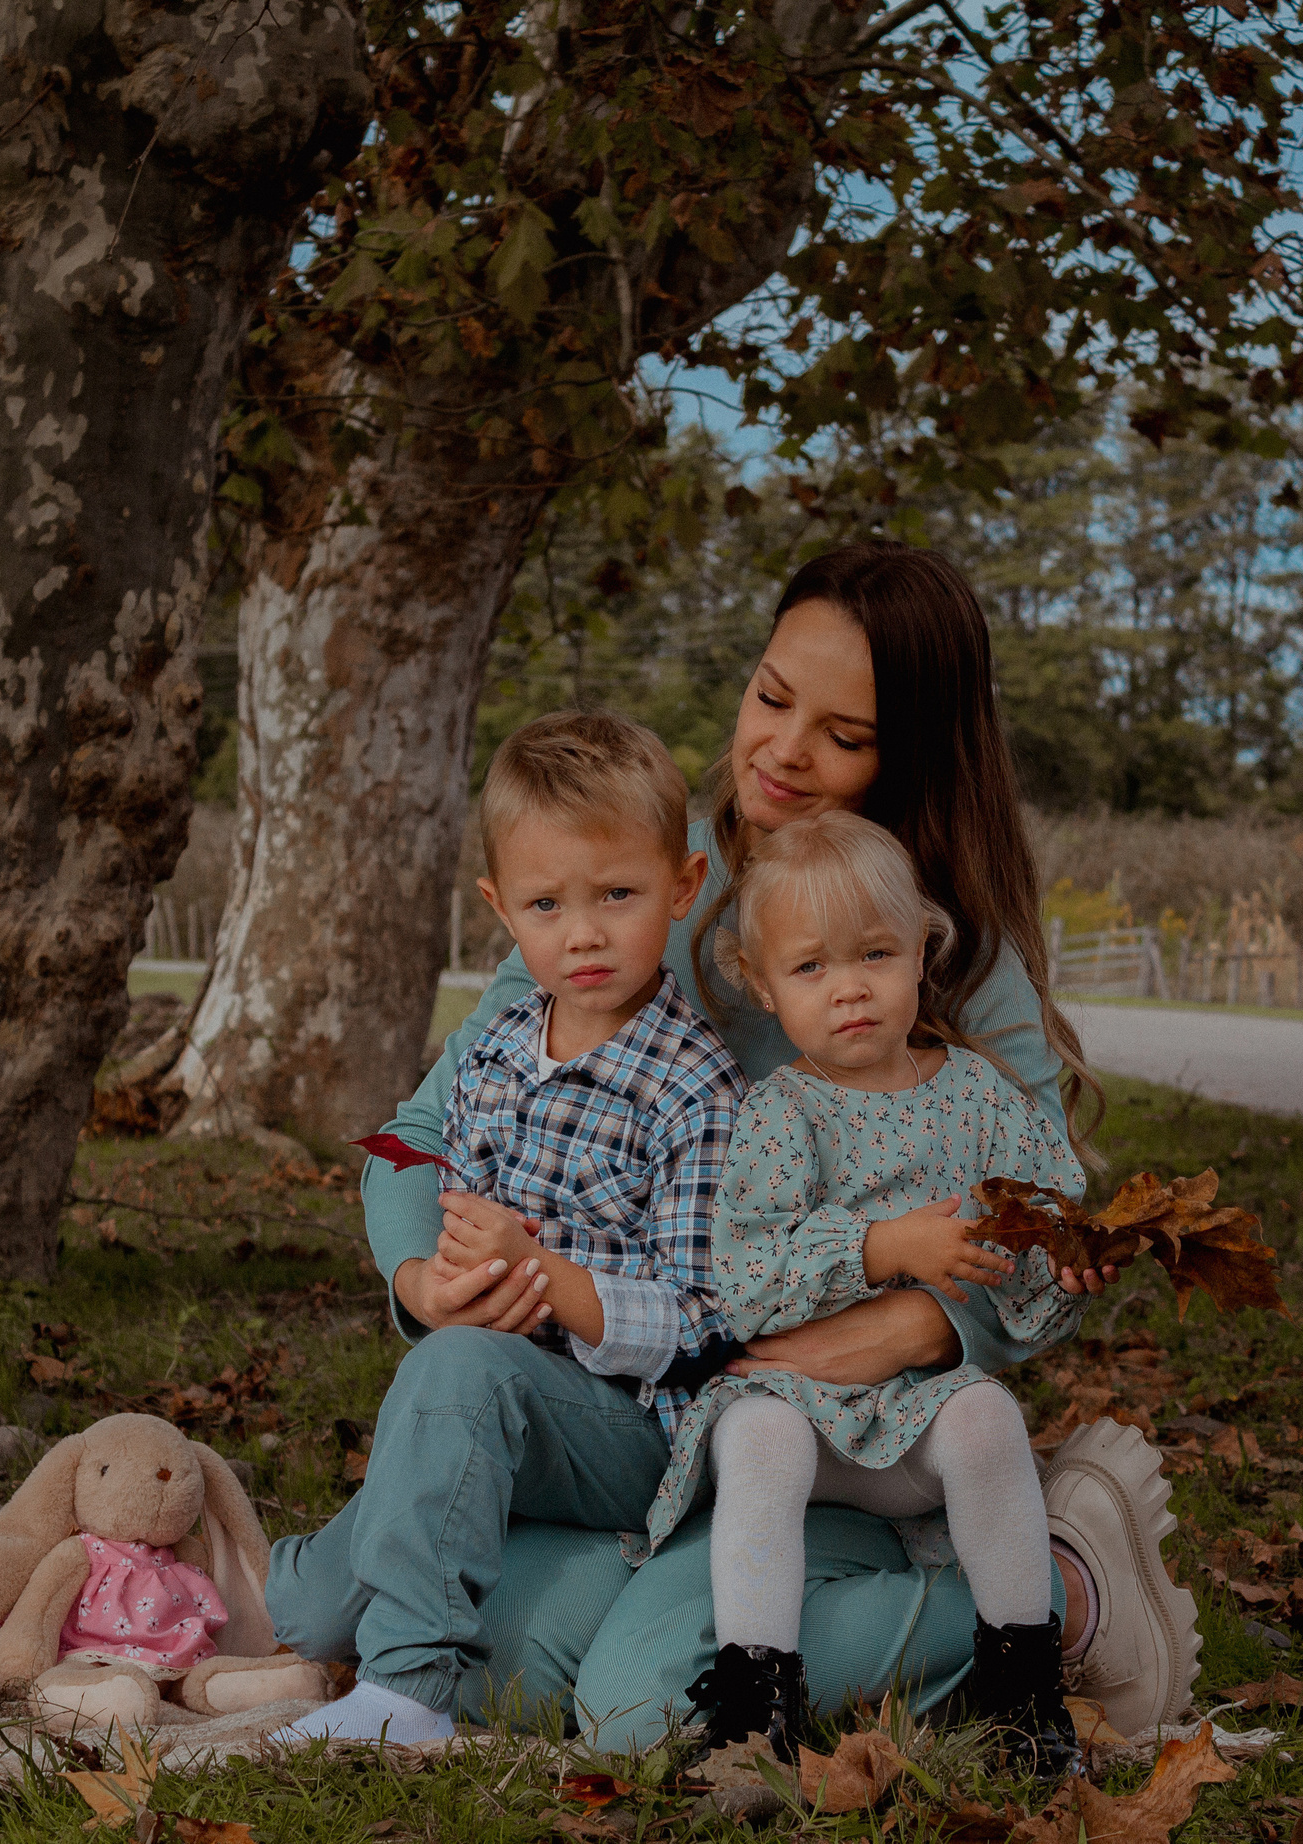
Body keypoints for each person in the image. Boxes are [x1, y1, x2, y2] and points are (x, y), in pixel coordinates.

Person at [279, 541, 1194, 1744]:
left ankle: (1059, 1591)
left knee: (634, 1708)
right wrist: (421, 1277)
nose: (782, 748)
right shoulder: (627, 888)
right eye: (771, 697)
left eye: (843, 734)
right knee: (318, 1607)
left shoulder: (943, 954)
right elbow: (418, 1130)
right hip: (621, 1399)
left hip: (827, 1430)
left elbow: (1040, 1236)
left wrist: (905, 1322)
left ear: (907, 752)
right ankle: (607, 1593)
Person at [270, 711, 748, 1745]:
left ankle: (408, 1690)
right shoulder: (491, 1051)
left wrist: (541, 1276)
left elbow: (705, 1318)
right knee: (304, 1616)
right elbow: (417, 1163)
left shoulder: (694, 1087)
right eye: (547, 903)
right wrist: (439, 1278)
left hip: (636, 1431)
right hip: (495, 1400)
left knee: (459, 1372)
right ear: (501, 909)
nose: (582, 932)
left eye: (617, 895)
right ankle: (223, 1567)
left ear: (682, 886)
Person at [650, 811, 1092, 1775]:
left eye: (876, 953)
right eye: (810, 969)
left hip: (914, 1418)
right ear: (763, 986)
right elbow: (748, 1281)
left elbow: (1044, 1216)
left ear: (922, 954)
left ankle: (1022, 1691)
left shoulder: (978, 1097)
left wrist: (1065, 1256)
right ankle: (752, 1712)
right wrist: (885, 1245)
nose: (849, 987)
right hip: (803, 1415)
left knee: (985, 1416)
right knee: (756, 1431)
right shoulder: (782, 1113)